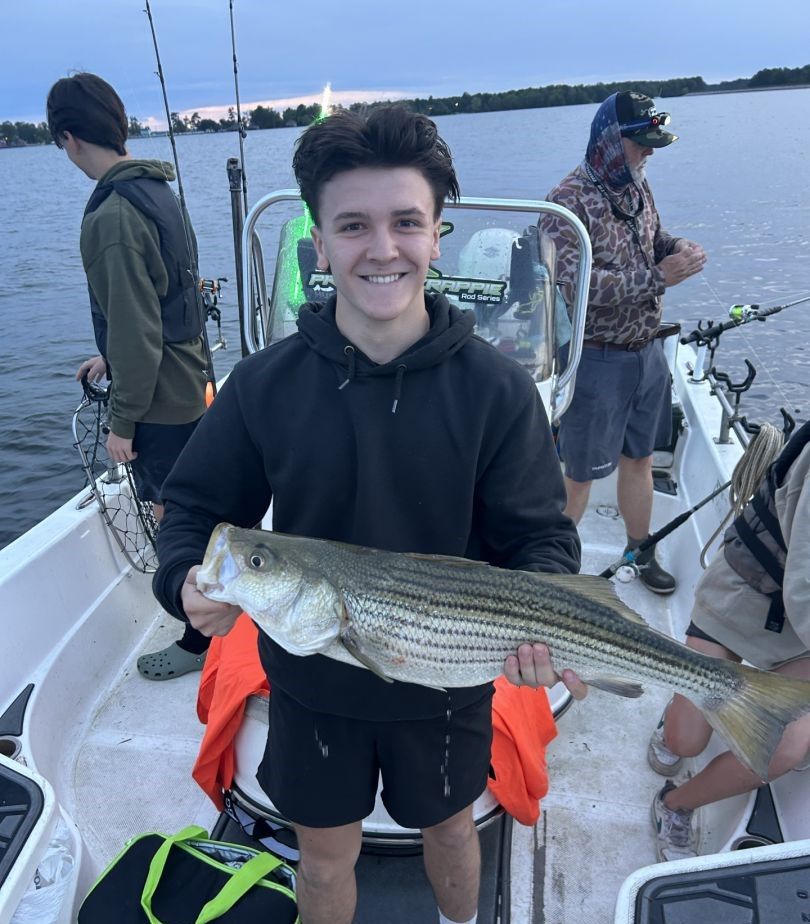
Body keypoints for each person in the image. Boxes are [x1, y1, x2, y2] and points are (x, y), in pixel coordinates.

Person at [152, 105, 585, 924]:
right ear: (317, 238)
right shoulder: (265, 385)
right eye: (353, 225)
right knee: (322, 857)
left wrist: (538, 621)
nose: (381, 249)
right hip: (311, 683)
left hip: (449, 681)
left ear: (437, 234)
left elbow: (539, 540)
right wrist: (181, 584)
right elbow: (197, 509)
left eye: (405, 223)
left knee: (455, 832)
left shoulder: (497, 391)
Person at [46, 72, 211, 680]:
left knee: (173, 514)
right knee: (196, 502)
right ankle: (212, 618)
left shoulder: (112, 215)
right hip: (190, 381)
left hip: (160, 404)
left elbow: (140, 331)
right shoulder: (158, 189)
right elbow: (161, 299)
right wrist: (111, 357)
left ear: (68, 138)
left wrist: (121, 422)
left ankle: (198, 639)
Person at [541, 91, 707, 594]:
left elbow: (652, 240)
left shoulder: (637, 187)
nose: (649, 154)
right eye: (641, 144)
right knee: (579, 475)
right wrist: (657, 278)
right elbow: (572, 286)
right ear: (611, 142)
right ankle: (552, 576)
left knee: (640, 460)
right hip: (596, 359)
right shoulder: (564, 203)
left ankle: (641, 548)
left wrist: (678, 248)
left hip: (647, 353)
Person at [648, 420, 810, 862]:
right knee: (684, 743)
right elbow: (804, 591)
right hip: (741, 598)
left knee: (786, 747)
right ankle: (674, 718)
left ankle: (675, 803)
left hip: (801, 639)